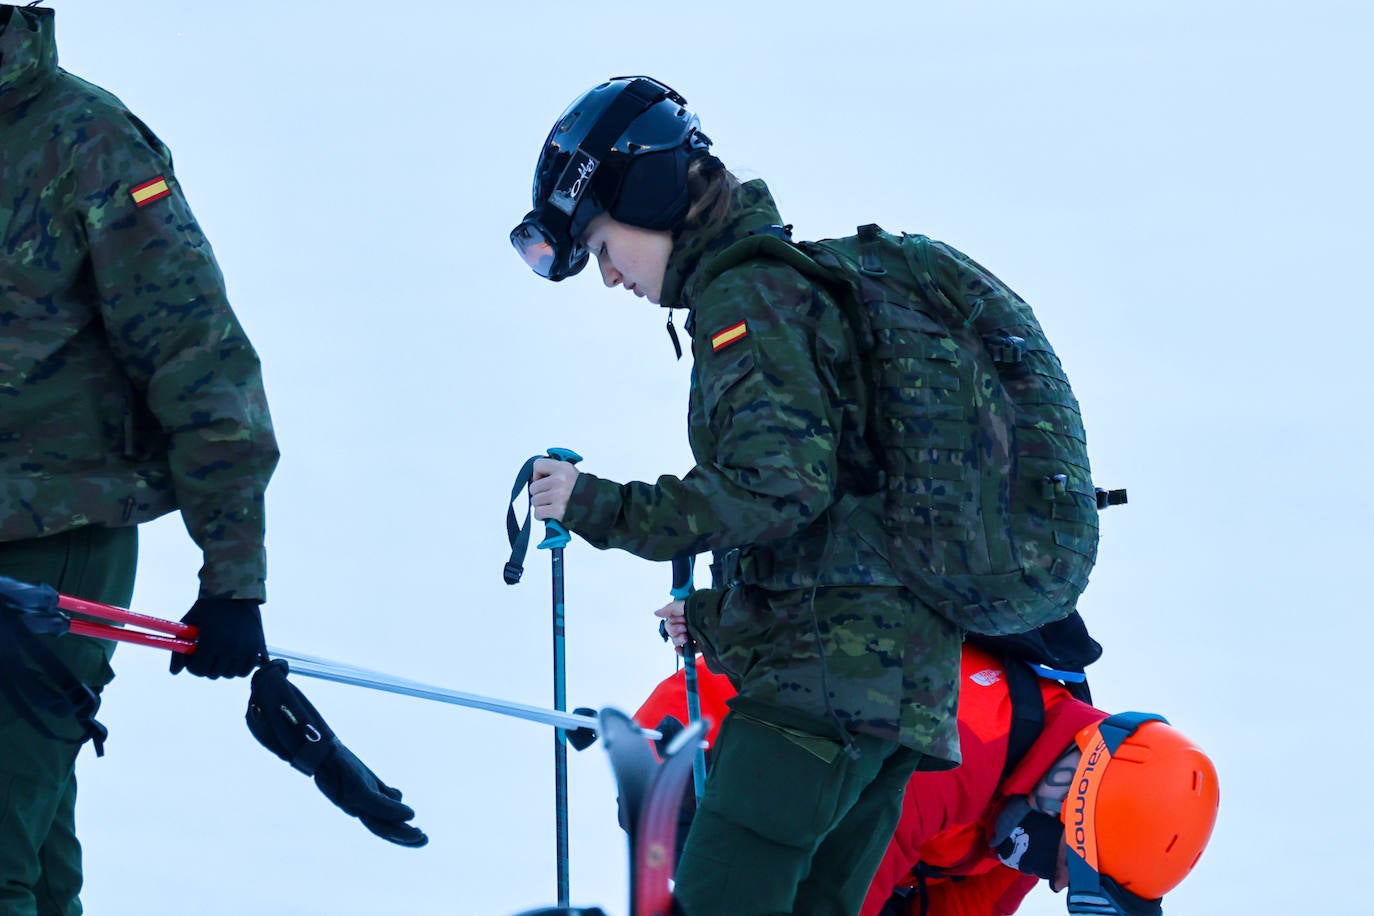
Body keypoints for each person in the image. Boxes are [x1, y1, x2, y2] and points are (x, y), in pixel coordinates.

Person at [512, 75, 966, 916]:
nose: (611, 279)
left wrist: (595, 505)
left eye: (606, 249)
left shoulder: (746, 298)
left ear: (646, 197)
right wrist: (720, 622)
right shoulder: (784, 288)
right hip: (898, 696)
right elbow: (836, 517)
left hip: (815, 699)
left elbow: (779, 488)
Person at [0, 4, 279, 912]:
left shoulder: (89, 143)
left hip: (53, 540)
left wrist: (232, 576)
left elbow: (198, 359)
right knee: (29, 852)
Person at [636, 633, 1220, 916]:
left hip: (823, 822)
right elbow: (842, 884)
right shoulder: (963, 741)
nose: (1059, 884)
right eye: (1067, 865)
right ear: (1071, 791)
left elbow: (970, 910)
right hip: (710, 751)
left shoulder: (1029, 804)